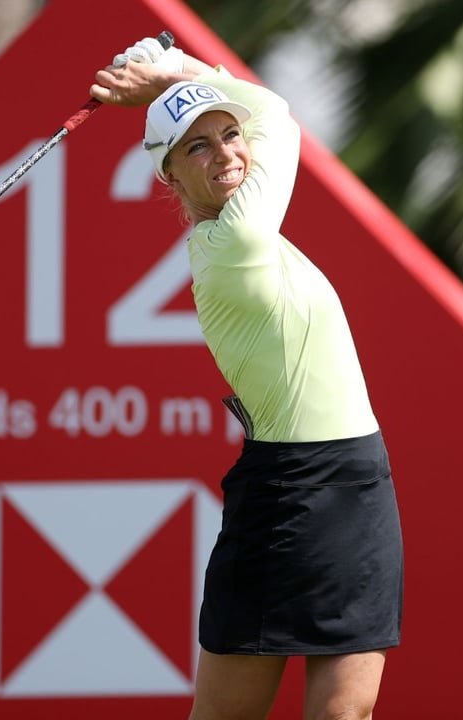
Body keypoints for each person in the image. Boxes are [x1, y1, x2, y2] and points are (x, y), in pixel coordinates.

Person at [90, 37, 403, 720]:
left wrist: (177, 80)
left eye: (229, 135)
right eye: (197, 147)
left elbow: (261, 118)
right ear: (168, 176)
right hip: (287, 494)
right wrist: (178, 75)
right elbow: (278, 117)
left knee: (346, 714)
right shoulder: (234, 243)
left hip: (360, 478)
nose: (227, 151)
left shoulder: (251, 229)